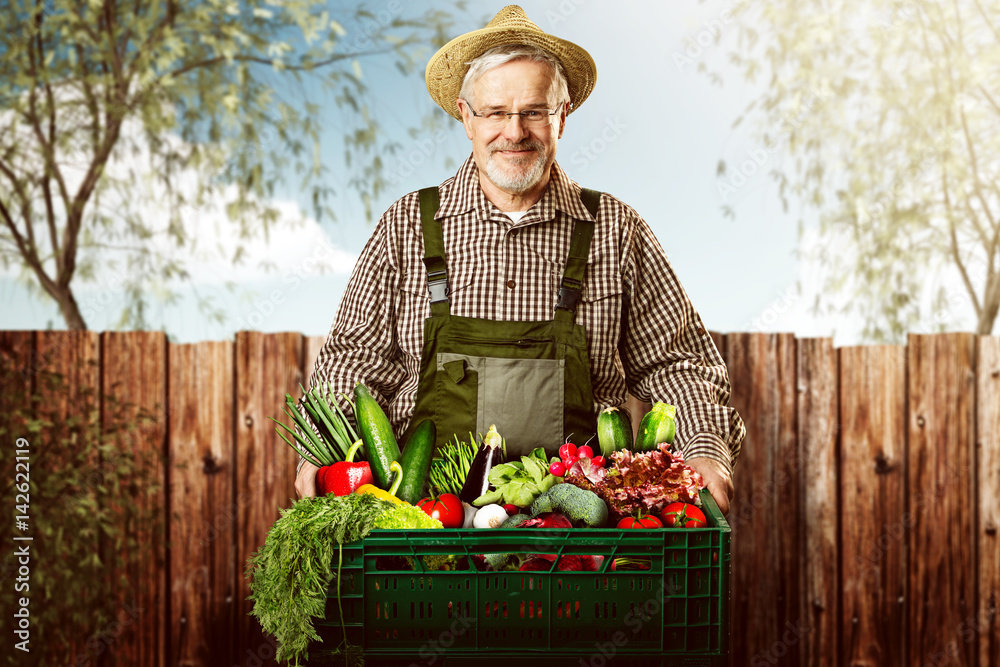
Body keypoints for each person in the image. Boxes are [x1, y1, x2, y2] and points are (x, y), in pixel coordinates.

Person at [295, 5, 745, 514]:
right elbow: (355, 359)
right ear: (466, 117)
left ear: (562, 116)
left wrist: (705, 449)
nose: (514, 132)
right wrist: (320, 451)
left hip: (580, 531)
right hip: (425, 524)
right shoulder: (407, 226)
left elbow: (678, 364)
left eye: (534, 111)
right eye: (494, 112)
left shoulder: (616, 230)